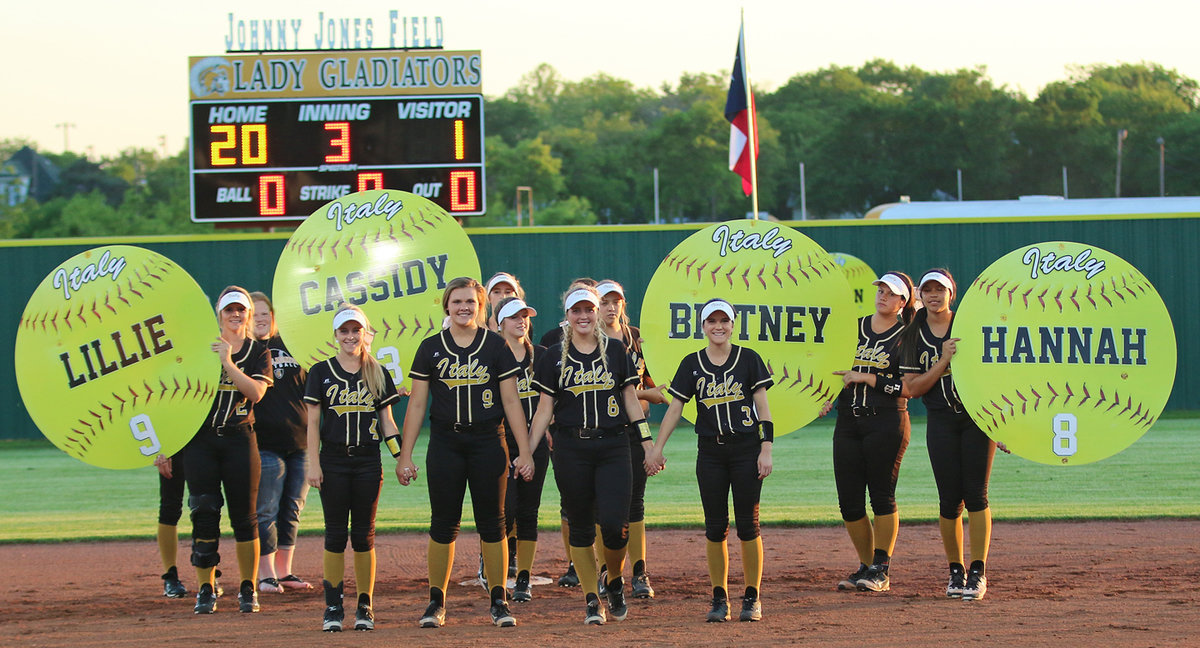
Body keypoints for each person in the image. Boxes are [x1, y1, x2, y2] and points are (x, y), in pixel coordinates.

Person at [395, 277, 535, 629]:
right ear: (447, 306)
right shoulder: (430, 347)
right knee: (443, 524)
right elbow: (416, 405)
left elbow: (510, 401)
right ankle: (436, 602)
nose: (463, 307)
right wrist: (405, 454)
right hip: (446, 443)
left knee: (494, 524)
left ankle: (499, 601)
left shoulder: (495, 346)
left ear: (481, 306)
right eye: (457, 301)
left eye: (470, 302)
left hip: (489, 441)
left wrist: (525, 451)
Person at [528, 285, 652, 625]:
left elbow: (630, 400)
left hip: (614, 445)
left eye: (589, 310)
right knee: (581, 527)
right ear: (567, 317)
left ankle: (613, 580)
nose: (583, 316)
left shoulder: (615, 350)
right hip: (571, 448)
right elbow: (543, 411)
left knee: (616, 527)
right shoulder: (553, 356)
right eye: (576, 311)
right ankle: (591, 599)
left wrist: (647, 442)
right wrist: (527, 450)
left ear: (596, 313)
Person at [644, 298, 774, 622]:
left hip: (745, 450)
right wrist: (657, 448)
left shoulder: (749, 360)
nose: (718, 326)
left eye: (724, 320)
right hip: (711, 453)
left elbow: (763, 409)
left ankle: (752, 597)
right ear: (702, 326)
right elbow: (675, 408)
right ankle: (720, 597)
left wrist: (766, 448)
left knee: (748, 525)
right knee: (716, 527)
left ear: (733, 325)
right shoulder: (692, 363)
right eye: (712, 321)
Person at [899, 269, 1008, 601]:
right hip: (941, 419)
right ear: (920, 295)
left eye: (940, 289)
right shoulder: (913, 333)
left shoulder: (969, 325)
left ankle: (978, 571)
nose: (934, 295)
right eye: (927, 290)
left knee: (976, 495)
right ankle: (955, 571)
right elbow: (911, 388)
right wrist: (943, 361)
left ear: (952, 293)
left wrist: (1002, 423)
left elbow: (993, 374)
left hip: (976, 420)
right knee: (949, 500)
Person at [304, 305, 403, 631]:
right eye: (344, 331)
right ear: (335, 335)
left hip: (366, 460)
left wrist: (400, 456)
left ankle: (364, 606)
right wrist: (313, 464)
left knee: (364, 535)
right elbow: (313, 423)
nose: (350, 336)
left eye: (355, 330)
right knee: (334, 535)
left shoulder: (377, 372)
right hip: (332, 460)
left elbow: (387, 422)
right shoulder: (320, 371)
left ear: (364, 333)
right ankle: (333, 607)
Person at [820, 272, 916, 594]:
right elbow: (832, 368)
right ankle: (865, 566)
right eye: (881, 290)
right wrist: (822, 398)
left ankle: (881, 568)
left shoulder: (908, 335)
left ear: (903, 302)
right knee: (848, 502)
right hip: (848, 421)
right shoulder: (854, 328)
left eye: (891, 294)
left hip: (887, 421)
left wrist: (869, 379)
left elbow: (908, 387)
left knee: (881, 497)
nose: (883, 296)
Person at [181, 286, 272, 615]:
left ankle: (248, 588)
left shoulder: (257, 351)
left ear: (248, 315)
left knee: (245, 517)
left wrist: (227, 363)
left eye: (241, 310)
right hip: (201, 440)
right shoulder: (200, 347)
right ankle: (206, 587)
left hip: (239, 437)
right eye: (229, 310)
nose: (235, 315)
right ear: (219, 315)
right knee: (203, 512)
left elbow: (256, 392)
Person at [595, 279, 667, 599]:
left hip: (635, 429)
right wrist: (645, 393)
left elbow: (650, 380)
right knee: (605, 506)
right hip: (602, 430)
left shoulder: (635, 338)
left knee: (636, 503)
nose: (611, 307)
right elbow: (607, 391)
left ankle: (639, 571)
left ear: (623, 304)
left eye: (616, 302)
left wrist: (655, 390)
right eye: (604, 302)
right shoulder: (589, 340)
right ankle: (606, 572)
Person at [249, 291, 312, 595]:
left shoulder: (295, 344)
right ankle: (265, 574)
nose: (260, 319)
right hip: (263, 443)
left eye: (265, 314)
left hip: (300, 441)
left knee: (293, 508)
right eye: (254, 314)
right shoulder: (246, 352)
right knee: (267, 509)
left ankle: (285, 571)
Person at [492, 296, 551, 602]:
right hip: (501, 442)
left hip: (535, 441)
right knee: (505, 511)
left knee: (528, 512)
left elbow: (552, 399)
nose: (521, 321)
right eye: (514, 316)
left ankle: (524, 578)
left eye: (525, 316)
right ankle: (500, 575)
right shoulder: (491, 356)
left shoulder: (541, 355)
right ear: (500, 322)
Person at [153, 451, 188, 598]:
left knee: (207, 507)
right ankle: (170, 575)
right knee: (170, 508)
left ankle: (208, 574)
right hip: (175, 448)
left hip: (207, 443)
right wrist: (162, 452)